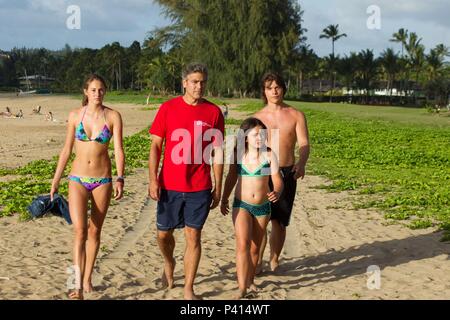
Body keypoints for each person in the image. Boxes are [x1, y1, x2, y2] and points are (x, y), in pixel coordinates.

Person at [148, 63, 224, 300]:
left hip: (199, 186)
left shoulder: (214, 113)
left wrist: (218, 186)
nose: (199, 86)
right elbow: (156, 146)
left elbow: (218, 153)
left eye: (202, 82)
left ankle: (188, 288)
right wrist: (153, 179)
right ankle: (169, 262)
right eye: (194, 81)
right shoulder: (168, 108)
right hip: (169, 185)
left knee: (194, 236)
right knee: (163, 235)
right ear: (184, 83)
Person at [50, 74, 125, 300]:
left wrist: (120, 177)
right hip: (77, 179)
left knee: (95, 231)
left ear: (105, 92)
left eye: (101, 90)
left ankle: (88, 277)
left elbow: (119, 149)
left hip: (103, 180)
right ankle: (76, 285)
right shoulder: (75, 115)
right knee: (80, 231)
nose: (97, 94)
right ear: (86, 92)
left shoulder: (113, 116)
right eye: (93, 90)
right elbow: (66, 150)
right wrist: (55, 180)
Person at [220, 117, 283, 299]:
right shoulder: (239, 155)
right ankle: (242, 288)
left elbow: (277, 179)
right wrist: (224, 198)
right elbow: (231, 178)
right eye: (255, 134)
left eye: (262, 134)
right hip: (242, 205)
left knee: (255, 249)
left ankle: (250, 280)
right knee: (242, 245)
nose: (259, 138)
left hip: (263, 207)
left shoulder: (269, 155)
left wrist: (277, 191)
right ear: (245, 137)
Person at [254, 72, 310, 273]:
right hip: (262, 173)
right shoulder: (256, 118)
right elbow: (247, 149)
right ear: (264, 91)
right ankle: (257, 261)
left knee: (280, 221)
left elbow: (303, 143)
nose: (274, 91)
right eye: (269, 87)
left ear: (284, 88)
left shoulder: (296, 115)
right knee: (261, 220)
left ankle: (274, 259)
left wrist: (302, 163)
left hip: (287, 172)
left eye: (277, 86)